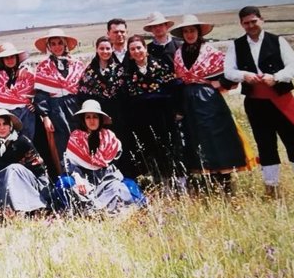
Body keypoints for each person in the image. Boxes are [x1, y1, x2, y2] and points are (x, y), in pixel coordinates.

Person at [171, 14, 254, 193]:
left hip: (208, 99)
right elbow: (178, 79)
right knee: (196, 139)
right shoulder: (178, 53)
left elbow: (230, 70)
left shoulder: (209, 51)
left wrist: (219, 84)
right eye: (186, 31)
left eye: (192, 30)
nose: (189, 34)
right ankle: (209, 181)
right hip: (188, 100)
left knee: (216, 137)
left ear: (198, 31)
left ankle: (225, 180)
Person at [224, 6, 294, 197]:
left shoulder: (277, 41)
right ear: (241, 24)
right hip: (256, 103)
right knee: (265, 144)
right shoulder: (236, 45)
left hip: (282, 100)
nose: (251, 26)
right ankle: (271, 188)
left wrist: (277, 77)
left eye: (253, 21)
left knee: (293, 141)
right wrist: (244, 75)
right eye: (246, 23)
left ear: (261, 20)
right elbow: (228, 71)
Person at [58, 100, 146, 215]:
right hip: (82, 177)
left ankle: (111, 209)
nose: (92, 120)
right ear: (83, 120)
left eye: (95, 117)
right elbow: (71, 164)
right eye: (88, 117)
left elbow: (114, 163)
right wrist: (79, 179)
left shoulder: (109, 136)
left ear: (100, 119)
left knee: (126, 187)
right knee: (64, 183)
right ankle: (82, 212)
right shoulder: (76, 137)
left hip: (106, 177)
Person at [125, 35, 184, 187]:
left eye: (139, 47)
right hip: (142, 119)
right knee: (152, 150)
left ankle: (180, 181)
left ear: (146, 49)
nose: (137, 51)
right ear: (129, 53)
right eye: (133, 49)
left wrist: (177, 111)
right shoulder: (127, 73)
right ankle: (162, 183)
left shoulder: (160, 65)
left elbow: (175, 87)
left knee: (171, 146)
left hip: (164, 115)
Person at [32, 28, 85, 175]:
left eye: (60, 43)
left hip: (76, 106)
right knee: (61, 142)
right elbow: (41, 95)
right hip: (56, 109)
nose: (57, 47)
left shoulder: (77, 64)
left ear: (65, 44)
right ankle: (67, 175)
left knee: (79, 138)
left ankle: (85, 172)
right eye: (53, 44)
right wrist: (46, 116)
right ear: (49, 46)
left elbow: (83, 88)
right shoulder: (43, 67)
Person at [78, 36, 133, 177]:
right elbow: (83, 95)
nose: (105, 51)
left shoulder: (120, 70)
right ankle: (102, 175)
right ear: (96, 49)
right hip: (98, 116)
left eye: (108, 48)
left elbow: (126, 93)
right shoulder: (89, 71)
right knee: (101, 144)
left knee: (121, 143)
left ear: (112, 49)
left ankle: (126, 175)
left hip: (119, 115)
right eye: (101, 48)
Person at [0, 109, 50, 215]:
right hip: (5, 181)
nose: (2, 128)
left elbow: (39, 169)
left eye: (5, 124)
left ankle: (26, 208)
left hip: (30, 181)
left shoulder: (22, 141)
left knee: (14, 169)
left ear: (11, 126)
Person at [0, 42, 36, 139]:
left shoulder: (27, 74)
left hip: (26, 118)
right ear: (2, 60)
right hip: (4, 120)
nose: (9, 60)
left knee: (25, 145)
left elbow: (39, 92)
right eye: (6, 58)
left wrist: (35, 104)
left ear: (16, 57)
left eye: (12, 57)